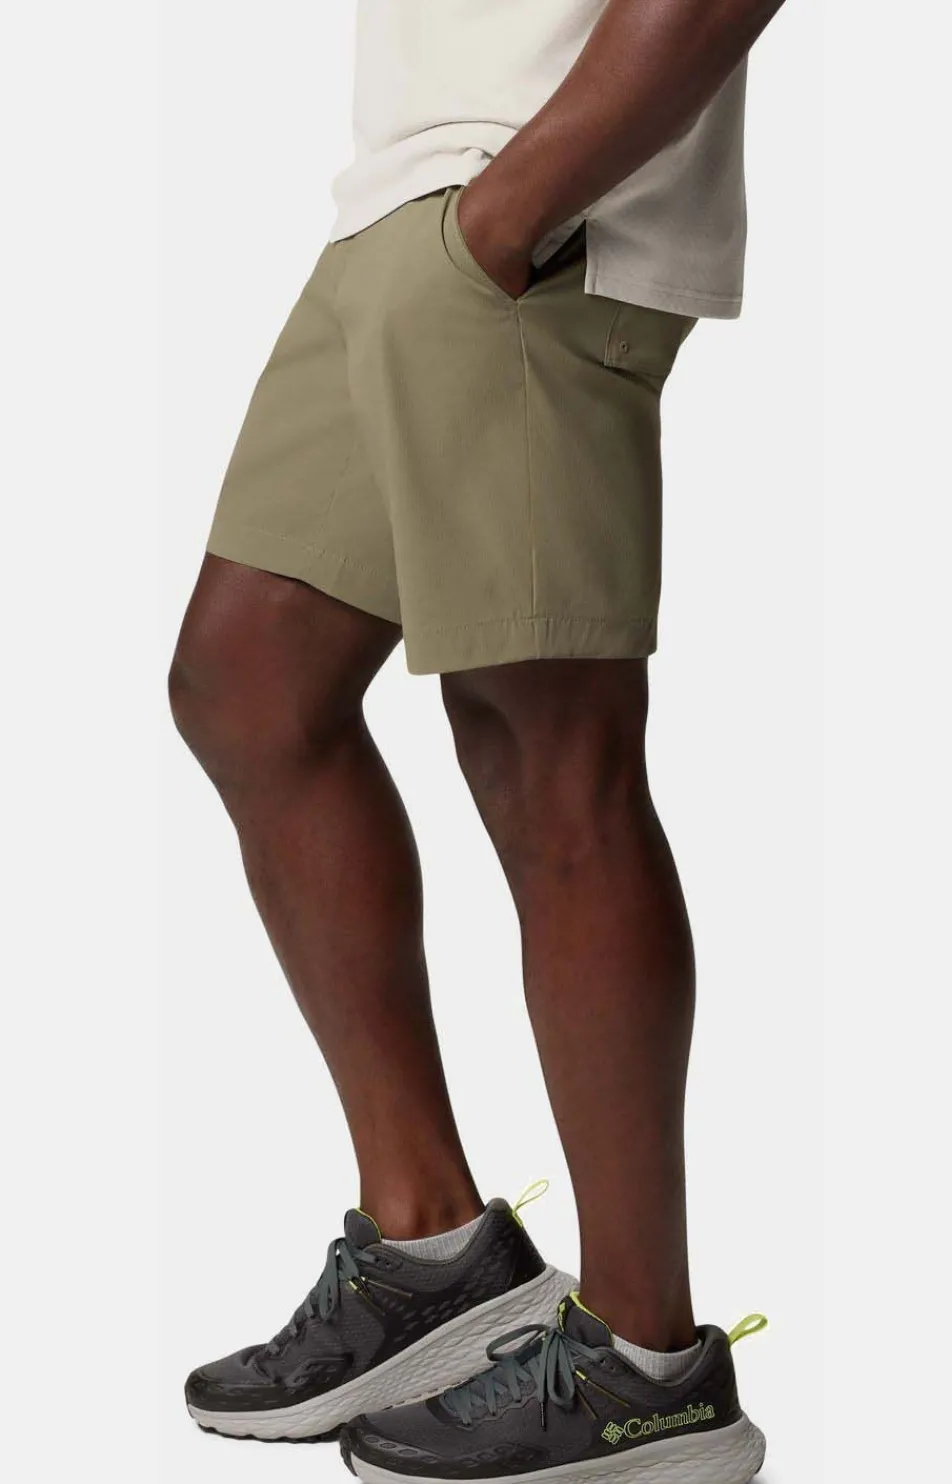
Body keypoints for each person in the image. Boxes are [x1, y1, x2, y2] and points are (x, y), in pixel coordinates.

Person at [170, 2, 784, 1480]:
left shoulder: (520, 208)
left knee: (546, 756)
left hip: (531, 212)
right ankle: (430, 1254)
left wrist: (520, 204)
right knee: (248, 682)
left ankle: (648, 1361)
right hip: (408, 213)